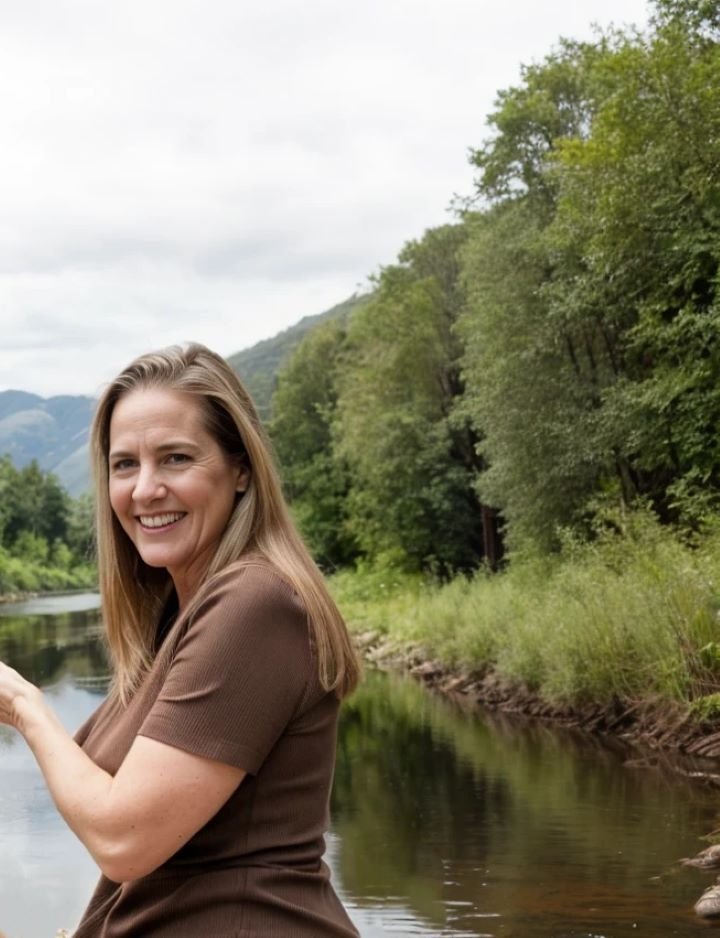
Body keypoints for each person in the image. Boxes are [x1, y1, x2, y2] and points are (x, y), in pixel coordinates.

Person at [0, 343, 361, 937]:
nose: (145, 489)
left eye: (175, 458)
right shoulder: (179, 616)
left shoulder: (253, 602)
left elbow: (124, 840)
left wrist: (24, 707)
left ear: (241, 469)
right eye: (124, 465)